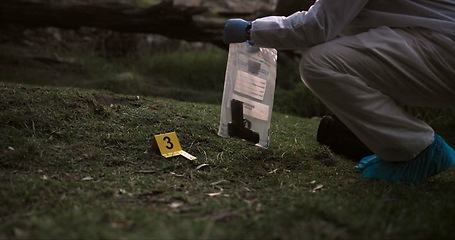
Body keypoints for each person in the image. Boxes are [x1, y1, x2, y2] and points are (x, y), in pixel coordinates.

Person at [223, 0, 455, 185]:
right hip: (436, 46)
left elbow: (317, 26)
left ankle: (417, 148)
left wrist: (251, 30)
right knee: (343, 55)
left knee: (319, 63)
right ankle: (398, 147)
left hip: (441, 49)